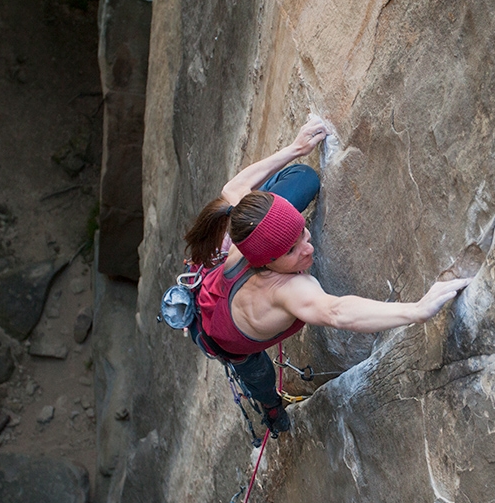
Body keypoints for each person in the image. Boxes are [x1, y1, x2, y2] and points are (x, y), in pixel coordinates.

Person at [183, 115, 470, 434]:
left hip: (215, 284)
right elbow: (337, 312)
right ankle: (272, 411)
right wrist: (415, 311)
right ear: (270, 262)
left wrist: (296, 148)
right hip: (223, 338)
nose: (308, 248)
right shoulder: (288, 291)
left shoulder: (244, 240)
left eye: (303, 232)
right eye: (293, 250)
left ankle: (276, 222)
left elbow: (233, 188)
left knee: (302, 177)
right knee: (259, 375)